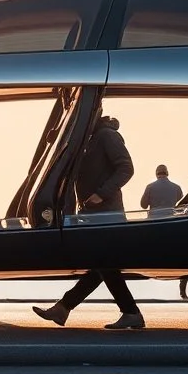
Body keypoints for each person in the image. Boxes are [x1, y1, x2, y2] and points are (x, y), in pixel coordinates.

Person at [32, 115, 145, 329]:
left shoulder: (107, 136)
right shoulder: (90, 140)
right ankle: (64, 308)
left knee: (104, 264)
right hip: (94, 213)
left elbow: (126, 168)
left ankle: (130, 312)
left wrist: (101, 194)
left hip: (107, 214)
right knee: (101, 265)